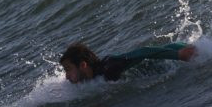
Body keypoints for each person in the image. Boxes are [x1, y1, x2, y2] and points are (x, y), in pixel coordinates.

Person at [60, 41, 196, 83]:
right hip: (166, 60)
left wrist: (178, 55)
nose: (66, 76)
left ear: (83, 65)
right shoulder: (89, 79)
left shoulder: (109, 68)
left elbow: (143, 52)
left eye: (68, 69)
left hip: (170, 58)